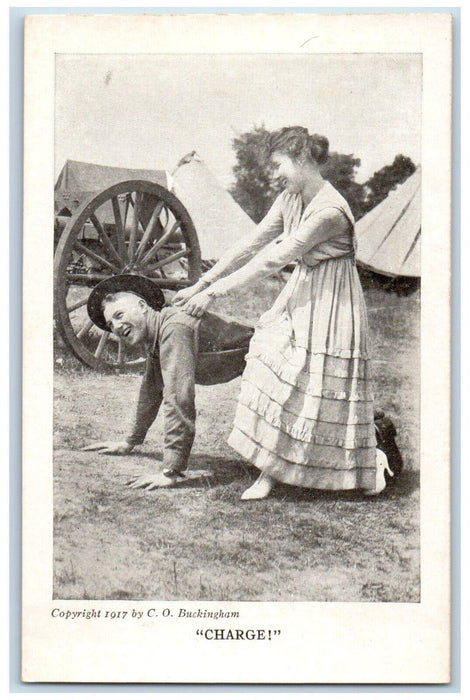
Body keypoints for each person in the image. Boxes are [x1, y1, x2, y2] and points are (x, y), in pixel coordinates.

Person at [173, 126, 393, 500]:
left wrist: (213, 295)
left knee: (316, 385)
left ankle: (371, 463)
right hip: (302, 292)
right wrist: (201, 282)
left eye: (279, 164)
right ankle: (270, 472)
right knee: (270, 364)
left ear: (302, 158)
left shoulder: (330, 210)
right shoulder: (290, 197)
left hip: (332, 301)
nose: (276, 173)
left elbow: (275, 258)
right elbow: (251, 243)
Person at [83, 274, 253, 487]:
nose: (116, 326)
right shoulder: (157, 332)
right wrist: (130, 441)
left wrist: (170, 470)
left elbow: (178, 398)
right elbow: (151, 389)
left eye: (119, 315)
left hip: (271, 356)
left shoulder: (174, 328)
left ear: (142, 306)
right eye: (111, 323)